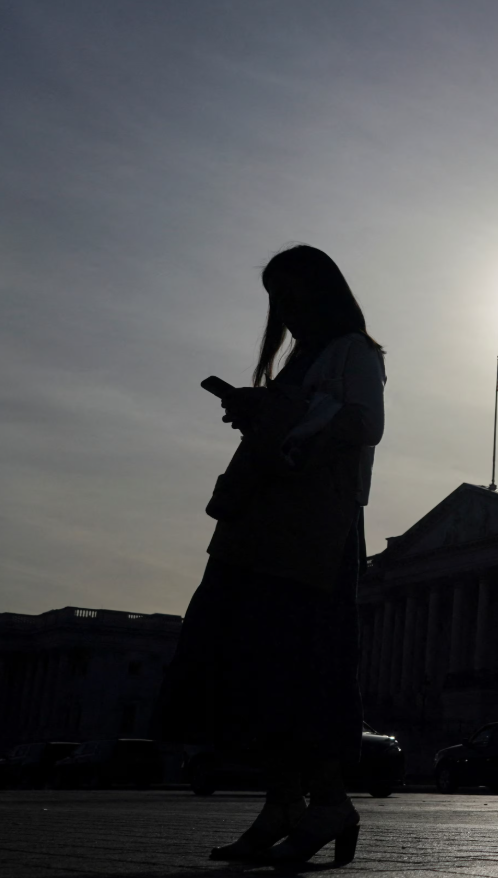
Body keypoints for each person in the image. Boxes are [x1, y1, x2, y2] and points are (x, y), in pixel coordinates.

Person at [158, 245, 386, 866]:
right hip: (262, 528)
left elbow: (363, 423)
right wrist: (259, 410)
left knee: (300, 669)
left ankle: (329, 802)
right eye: (276, 299)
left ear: (323, 291)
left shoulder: (355, 352)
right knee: (260, 673)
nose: (284, 309)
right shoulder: (300, 360)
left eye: (292, 294)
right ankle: (284, 802)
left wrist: (281, 420)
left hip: (311, 533)